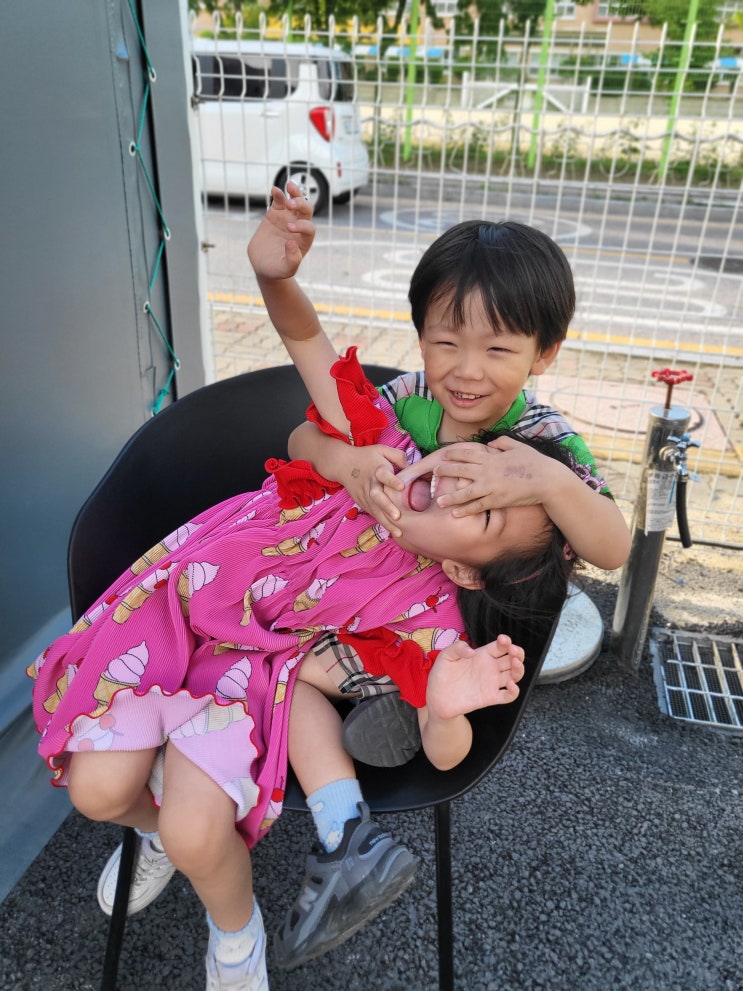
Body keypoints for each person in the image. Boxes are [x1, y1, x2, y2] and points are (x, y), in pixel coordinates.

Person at [27, 188, 582, 990]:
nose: (462, 485)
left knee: (192, 829)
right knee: (97, 790)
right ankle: (166, 829)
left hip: (241, 677)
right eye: (473, 470)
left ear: (465, 570)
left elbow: (443, 750)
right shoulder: (385, 447)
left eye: (482, 513)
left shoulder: (424, 609)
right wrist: (273, 277)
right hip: (167, 622)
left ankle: (234, 932)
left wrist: (444, 707)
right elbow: (306, 345)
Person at [285, 201, 631, 766]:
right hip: (355, 582)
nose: (467, 370)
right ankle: (374, 697)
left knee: (424, 670)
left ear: (543, 353)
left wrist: (548, 481)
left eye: (498, 349)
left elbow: (612, 549)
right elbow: (302, 442)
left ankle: (405, 698)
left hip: (447, 619)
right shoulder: (408, 397)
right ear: (422, 337)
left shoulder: (543, 436)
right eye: (447, 342)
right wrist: (348, 465)